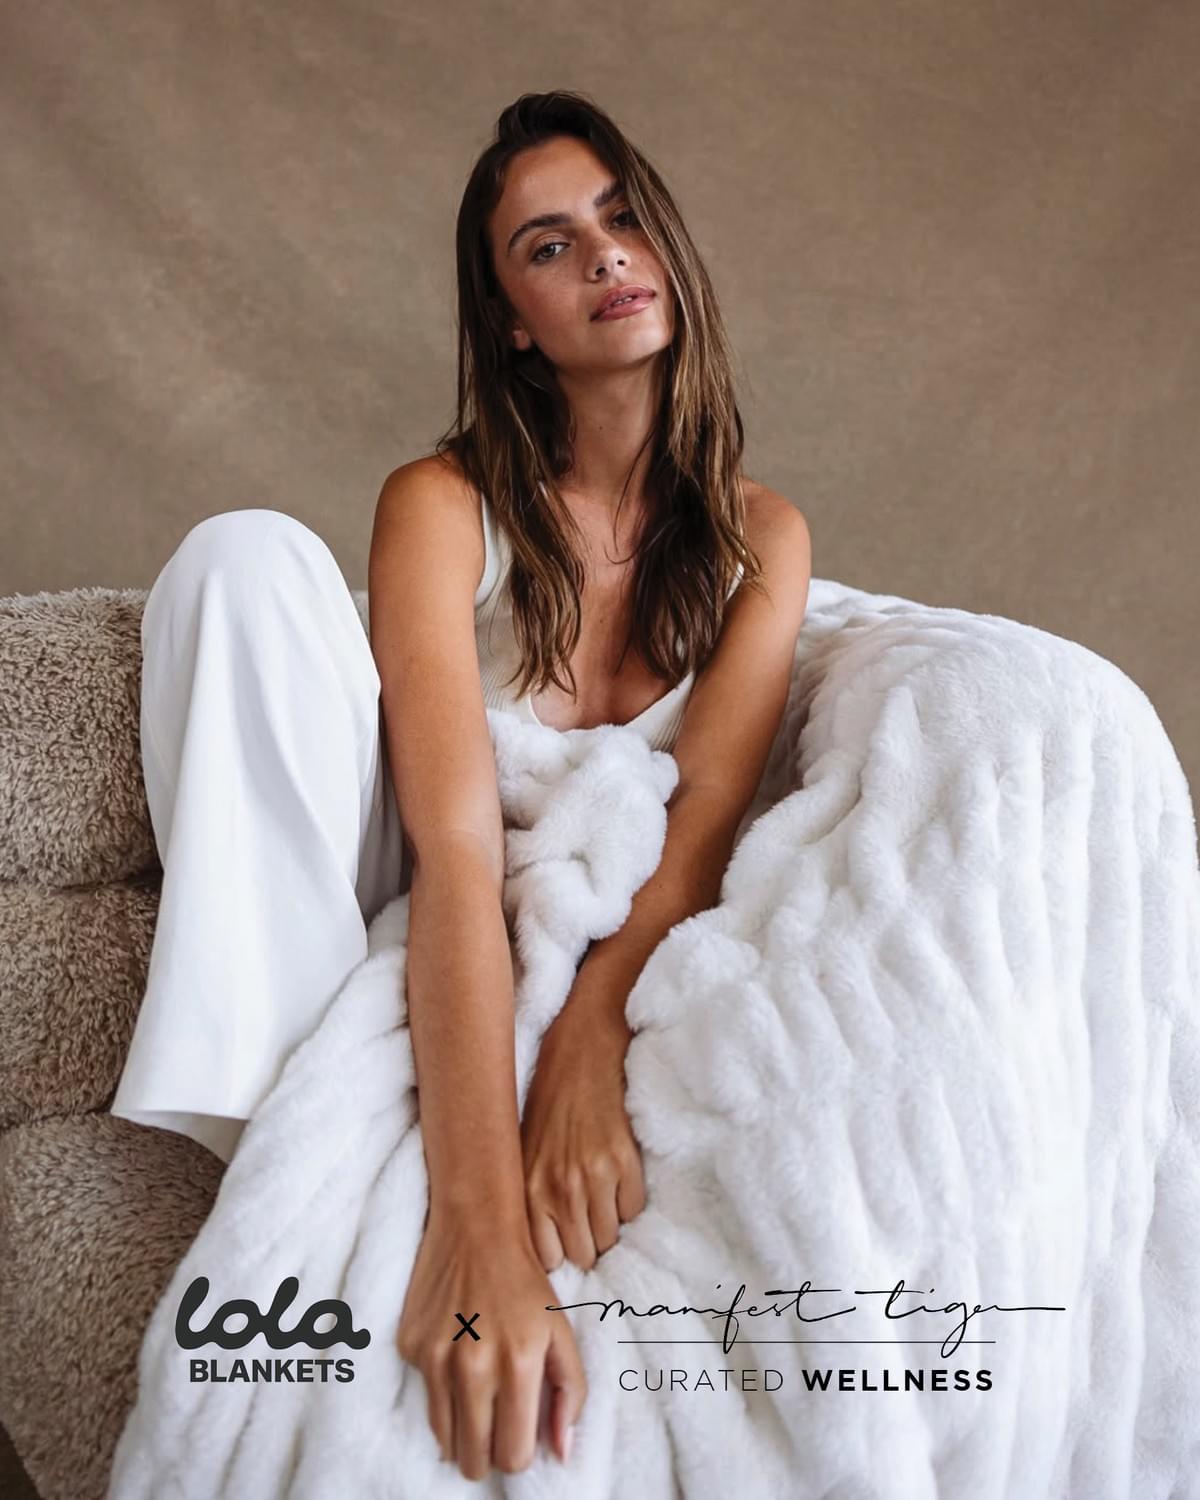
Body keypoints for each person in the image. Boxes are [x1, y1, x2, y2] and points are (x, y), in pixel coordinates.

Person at [112, 89, 812, 1482]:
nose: (603, 255)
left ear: (666, 245)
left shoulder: (759, 540)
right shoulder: (444, 502)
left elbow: (694, 845)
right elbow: (452, 852)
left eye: (620, 218)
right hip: (418, 869)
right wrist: (480, 1231)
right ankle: (302, 1133)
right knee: (242, 557)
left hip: (585, 929)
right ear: (511, 320)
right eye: (548, 246)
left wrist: (587, 1044)